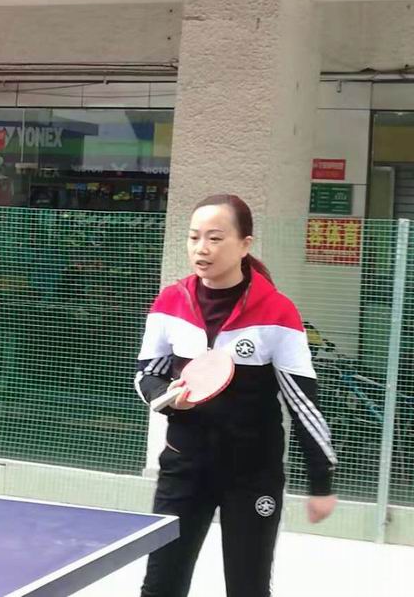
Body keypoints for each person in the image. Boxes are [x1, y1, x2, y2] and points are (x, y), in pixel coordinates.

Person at [135, 193, 337, 597]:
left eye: (215, 238)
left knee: (248, 588)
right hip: (183, 468)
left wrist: (321, 480)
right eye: (194, 237)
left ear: (245, 244)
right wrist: (168, 397)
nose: (201, 248)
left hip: (252, 474)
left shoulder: (279, 312)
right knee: (160, 587)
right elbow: (146, 375)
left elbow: (303, 404)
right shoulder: (169, 302)